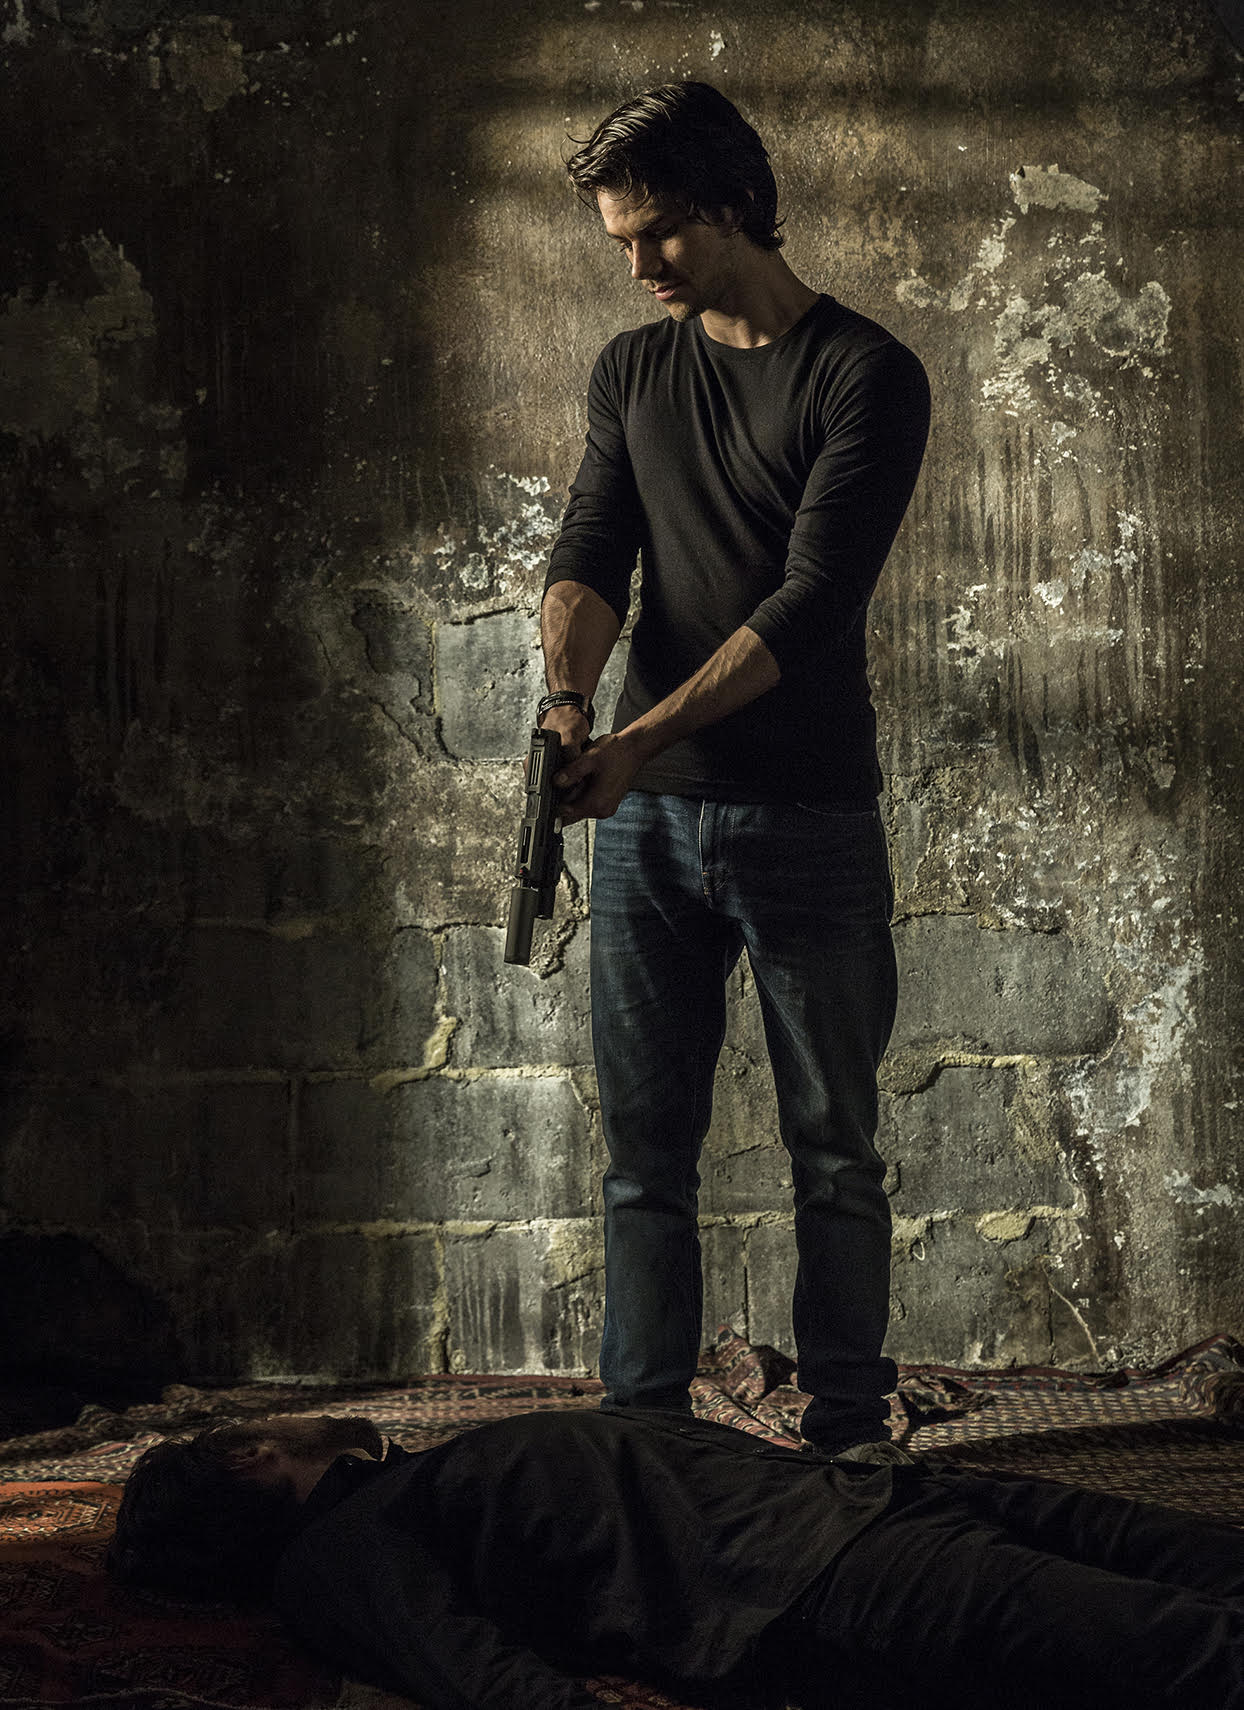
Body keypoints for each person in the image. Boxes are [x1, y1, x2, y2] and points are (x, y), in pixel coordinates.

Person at [536, 81, 931, 1457]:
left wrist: (638, 742)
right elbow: (592, 551)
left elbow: (809, 601)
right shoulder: (632, 372)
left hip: (806, 815)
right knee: (643, 1155)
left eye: (656, 234)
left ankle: (846, 1431)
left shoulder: (865, 374)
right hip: (648, 832)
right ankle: (641, 1436)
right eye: (620, 241)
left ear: (734, 206)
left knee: (834, 1150)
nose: (636, 264)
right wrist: (568, 703)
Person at [108, 1406, 1244, 1709]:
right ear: (253, 1457)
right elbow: (478, 1677)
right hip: (825, 1580)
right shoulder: (334, 1559)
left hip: (877, 1500)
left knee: (1205, 1561)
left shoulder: (398, 1488)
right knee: (1193, 1652)